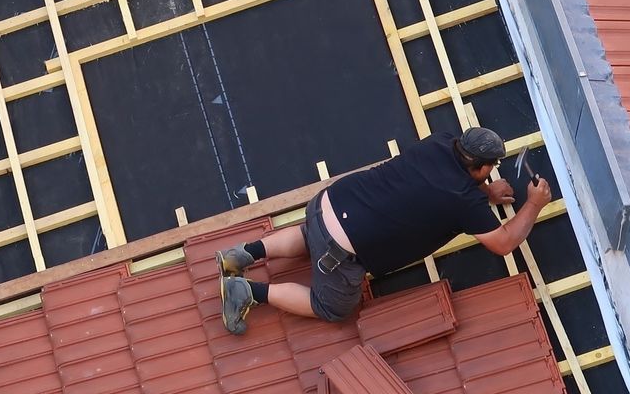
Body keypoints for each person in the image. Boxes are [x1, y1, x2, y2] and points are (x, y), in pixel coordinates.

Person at [217, 127, 552, 334]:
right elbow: (504, 243)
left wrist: (486, 193)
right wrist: (534, 204)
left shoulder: (440, 141)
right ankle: (247, 292)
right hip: (340, 250)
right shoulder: (463, 201)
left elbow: (432, 186)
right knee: (331, 308)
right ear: (480, 167)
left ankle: (245, 252)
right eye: (490, 168)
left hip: (328, 203)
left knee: (310, 235)